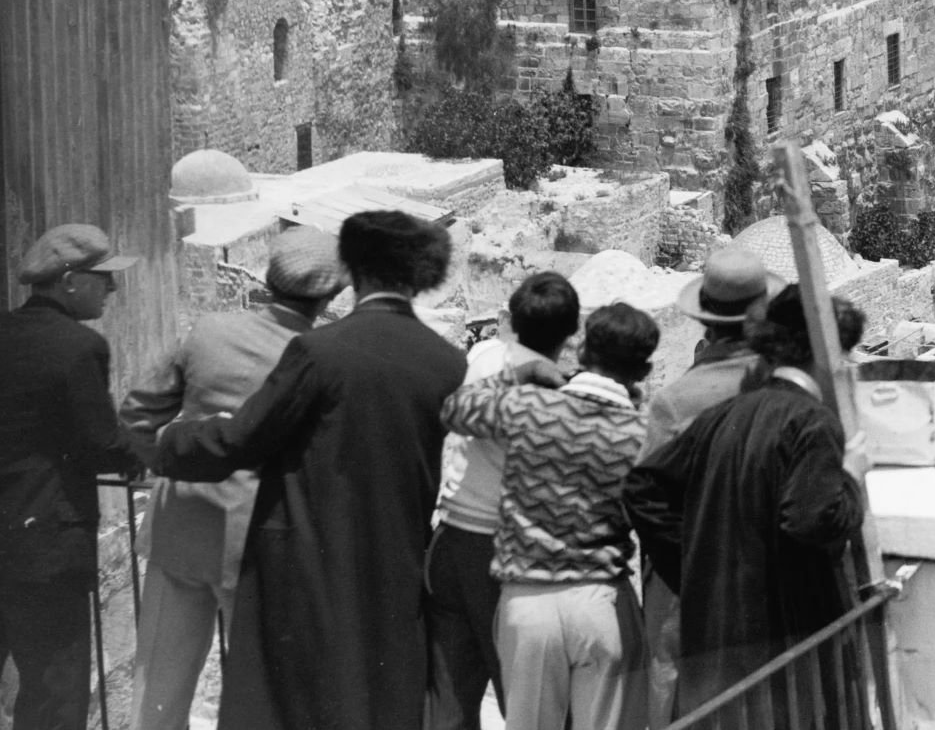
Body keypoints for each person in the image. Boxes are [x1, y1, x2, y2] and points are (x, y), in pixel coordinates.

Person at [155, 210, 466, 730]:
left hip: (303, 558)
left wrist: (171, 441)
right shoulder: (446, 361)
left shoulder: (319, 352)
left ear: (354, 272)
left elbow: (242, 438)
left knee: (293, 700)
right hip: (395, 556)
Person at [118, 227, 344, 730]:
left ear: (269, 279)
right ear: (333, 292)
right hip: (257, 542)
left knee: (157, 686)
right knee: (257, 695)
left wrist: (165, 463)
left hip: (180, 524)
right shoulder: (319, 355)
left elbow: (137, 413)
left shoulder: (209, 330)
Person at [625, 288, 868, 730]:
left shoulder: (725, 413)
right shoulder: (813, 423)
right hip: (784, 649)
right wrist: (850, 477)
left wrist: (697, 570)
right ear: (826, 355)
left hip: (715, 641)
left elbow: (643, 486)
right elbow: (811, 519)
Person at [441, 301, 661, 730]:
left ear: (582, 352)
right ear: (645, 371)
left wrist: (520, 374)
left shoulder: (528, 407)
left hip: (528, 604)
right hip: (601, 602)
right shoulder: (639, 434)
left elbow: (455, 410)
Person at [0, 224, 139, 730]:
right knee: (54, 691)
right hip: (45, 547)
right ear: (70, 281)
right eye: (104, 278)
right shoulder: (79, 346)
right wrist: (152, 451)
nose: (113, 289)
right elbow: (103, 444)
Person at [429, 272, 582, 730]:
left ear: (510, 321)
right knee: (528, 701)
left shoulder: (481, 358)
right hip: (505, 555)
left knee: (450, 699)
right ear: (571, 331)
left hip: (451, 539)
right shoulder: (554, 393)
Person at [637, 246, 778, 725]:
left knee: (668, 680)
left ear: (706, 322)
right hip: (767, 572)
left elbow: (646, 495)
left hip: (689, 572)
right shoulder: (788, 389)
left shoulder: (675, 402)